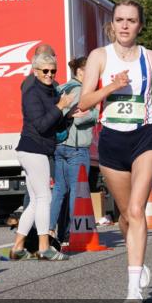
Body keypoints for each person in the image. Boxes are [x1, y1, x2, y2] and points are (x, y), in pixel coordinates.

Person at [78, 0, 152, 303]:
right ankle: (138, 262)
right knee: (126, 217)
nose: (125, 25)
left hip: (145, 139)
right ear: (112, 24)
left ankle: (133, 288)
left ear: (140, 25)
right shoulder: (99, 56)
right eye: (120, 20)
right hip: (112, 141)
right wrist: (111, 87)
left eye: (131, 20)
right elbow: (85, 102)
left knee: (138, 211)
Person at [7, 52, 77, 261]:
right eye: (45, 71)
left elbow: (55, 124)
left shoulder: (51, 92)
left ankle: (18, 247)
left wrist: (69, 115)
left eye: (53, 71)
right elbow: (41, 125)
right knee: (45, 197)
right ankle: (44, 247)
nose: (49, 74)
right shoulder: (32, 93)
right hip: (32, 149)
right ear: (35, 71)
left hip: (38, 149)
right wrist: (60, 107)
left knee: (36, 201)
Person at [47, 56, 99, 241]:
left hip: (59, 145)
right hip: (76, 147)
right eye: (91, 72)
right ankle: (73, 233)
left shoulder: (62, 88)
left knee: (59, 189)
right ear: (80, 72)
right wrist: (95, 112)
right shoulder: (79, 90)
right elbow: (80, 117)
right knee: (77, 191)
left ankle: (50, 230)